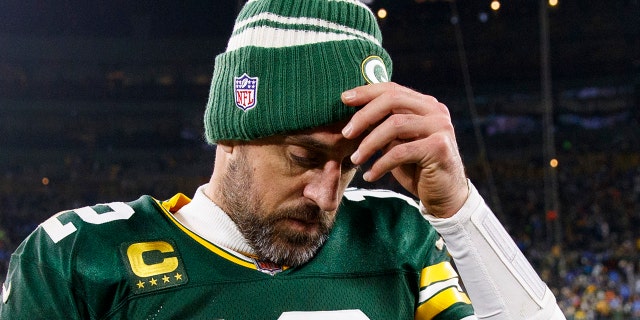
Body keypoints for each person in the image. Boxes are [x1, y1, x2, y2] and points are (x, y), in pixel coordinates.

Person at [0, 0, 565, 319]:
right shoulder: (79, 259)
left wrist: (456, 209)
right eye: (304, 157)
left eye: (347, 165)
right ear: (232, 132)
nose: (326, 196)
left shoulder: (398, 236)